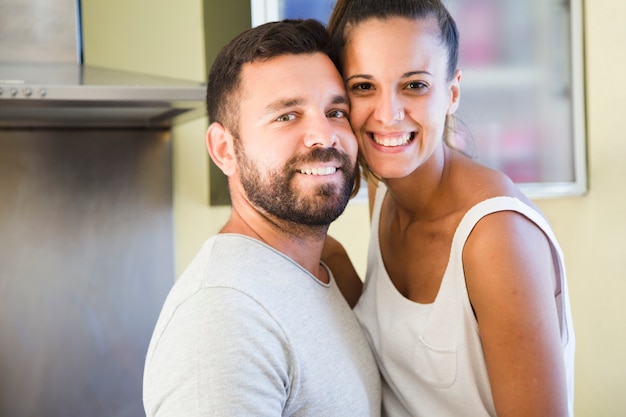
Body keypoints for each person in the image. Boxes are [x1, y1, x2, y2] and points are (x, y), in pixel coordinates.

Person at [324, 0, 576, 416]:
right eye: (364, 86)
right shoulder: (385, 194)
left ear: (452, 93)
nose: (388, 115)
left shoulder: (495, 237)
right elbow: (399, 340)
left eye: (414, 85)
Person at [142, 19, 381, 417]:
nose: (323, 135)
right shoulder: (221, 318)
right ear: (224, 149)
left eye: (336, 111)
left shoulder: (317, 270)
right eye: (287, 116)